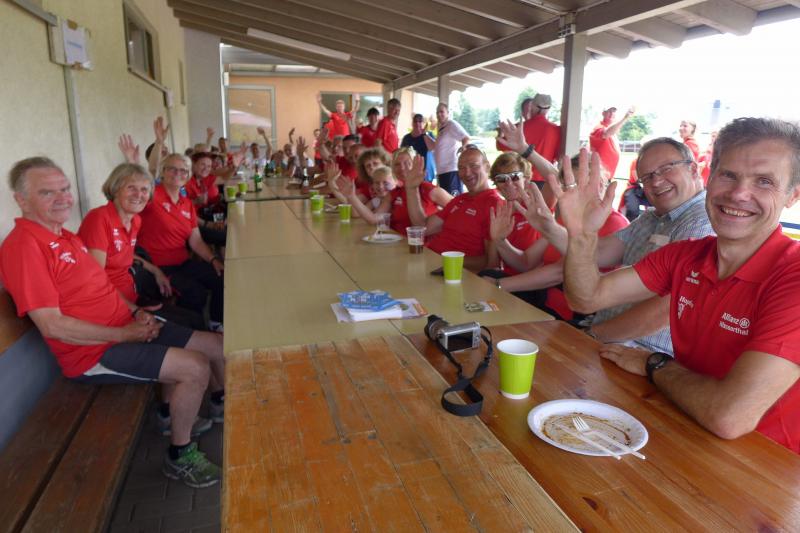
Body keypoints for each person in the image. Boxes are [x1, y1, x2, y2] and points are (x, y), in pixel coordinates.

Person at [557, 117, 800, 453]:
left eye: (764, 181)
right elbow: (586, 298)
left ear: (792, 195)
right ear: (709, 177)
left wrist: (655, 364)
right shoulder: (686, 256)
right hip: (688, 427)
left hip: (765, 463)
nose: (739, 194)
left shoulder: (792, 276)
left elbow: (729, 416)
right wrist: (581, 235)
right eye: (728, 175)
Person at [0, 157, 225, 487]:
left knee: (215, 344)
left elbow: (103, 288)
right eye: (47, 192)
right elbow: (52, 325)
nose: (62, 198)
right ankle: (180, 455)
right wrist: (124, 333)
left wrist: (135, 312)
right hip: (92, 352)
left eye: (65, 189)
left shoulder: (65, 237)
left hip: (124, 325)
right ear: (21, 200)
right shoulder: (24, 247)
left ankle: (182, 412)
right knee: (195, 367)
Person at [523, 137, 713, 352]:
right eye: (647, 177)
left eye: (666, 169)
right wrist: (551, 228)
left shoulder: (702, 221)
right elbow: (599, 253)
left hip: (642, 353)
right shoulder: (652, 218)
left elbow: (666, 310)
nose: (656, 182)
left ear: (693, 169)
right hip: (606, 338)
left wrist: (591, 336)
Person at [487, 155, 629, 321]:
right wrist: (500, 241)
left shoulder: (614, 223)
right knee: (487, 276)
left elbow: (559, 272)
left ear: (601, 183)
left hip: (574, 315)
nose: (576, 192)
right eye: (569, 187)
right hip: (544, 302)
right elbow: (527, 262)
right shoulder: (567, 220)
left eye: (583, 184)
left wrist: (498, 285)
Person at [78, 163, 204, 330]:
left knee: (194, 318)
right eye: (131, 188)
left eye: (144, 190)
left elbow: (124, 254)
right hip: (113, 306)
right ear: (115, 189)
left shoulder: (135, 220)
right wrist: (135, 310)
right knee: (190, 324)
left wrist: (156, 271)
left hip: (132, 296)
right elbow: (96, 280)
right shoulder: (99, 219)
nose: (138, 195)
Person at [137, 154, 225, 332]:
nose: (178, 173)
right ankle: (194, 333)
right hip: (158, 267)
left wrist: (214, 259)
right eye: (172, 169)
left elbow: (196, 240)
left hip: (182, 263)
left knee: (221, 276)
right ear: (163, 172)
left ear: (188, 175)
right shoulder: (152, 196)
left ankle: (216, 324)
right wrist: (136, 160)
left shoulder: (186, 204)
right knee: (195, 293)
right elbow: (140, 184)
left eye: (183, 170)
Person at [413, 146, 503, 271]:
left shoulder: (494, 205)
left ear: (487, 167)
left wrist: (445, 261)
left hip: (451, 271)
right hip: (428, 261)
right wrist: (411, 188)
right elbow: (423, 228)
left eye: (474, 166)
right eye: (461, 168)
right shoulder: (460, 200)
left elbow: (490, 263)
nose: (467, 173)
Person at [329, 147, 451, 233]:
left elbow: (456, 209)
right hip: (397, 245)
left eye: (407, 163)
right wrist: (351, 197)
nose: (402, 168)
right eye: (397, 164)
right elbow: (373, 219)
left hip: (424, 248)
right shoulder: (394, 193)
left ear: (415, 165)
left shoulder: (429, 190)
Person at [498, 94, 561, 188]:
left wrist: (500, 133)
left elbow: (501, 146)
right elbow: (558, 156)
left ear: (532, 106)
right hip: (546, 181)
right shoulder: (557, 130)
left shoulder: (518, 129)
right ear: (548, 109)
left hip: (521, 180)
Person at [428, 102, 470, 195]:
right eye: (437, 112)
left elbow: (465, 138)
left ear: (447, 113)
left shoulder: (451, 124)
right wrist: (424, 135)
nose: (439, 114)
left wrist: (464, 149)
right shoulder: (442, 128)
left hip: (451, 170)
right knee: (446, 201)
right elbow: (435, 147)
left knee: (453, 200)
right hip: (442, 172)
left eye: (442, 112)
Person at [589, 106, 635, 178]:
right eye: (609, 111)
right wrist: (625, 118)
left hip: (607, 176)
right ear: (603, 113)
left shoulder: (612, 131)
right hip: (598, 176)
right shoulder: (598, 128)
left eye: (613, 111)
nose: (611, 114)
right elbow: (606, 133)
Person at [401, 113, 437, 182]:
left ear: (423, 123)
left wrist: (424, 134)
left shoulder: (428, 135)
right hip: (410, 171)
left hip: (426, 173)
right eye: (415, 121)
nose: (417, 123)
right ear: (412, 123)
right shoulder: (406, 138)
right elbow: (402, 154)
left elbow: (432, 148)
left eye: (420, 121)